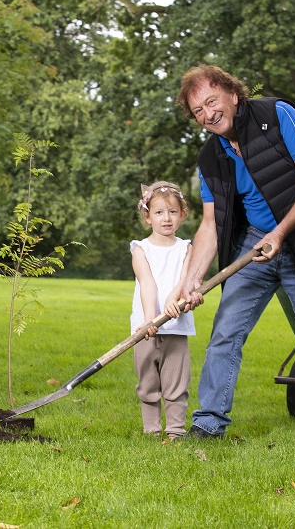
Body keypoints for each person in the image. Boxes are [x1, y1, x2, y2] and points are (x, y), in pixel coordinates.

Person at [169, 64, 295, 442]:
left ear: (233, 95)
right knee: (225, 332)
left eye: (212, 102)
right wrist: (191, 281)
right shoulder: (210, 159)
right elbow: (209, 226)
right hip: (254, 247)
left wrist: (280, 233)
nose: (208, 114)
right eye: (198, 111)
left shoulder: (277, 115)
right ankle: (208, 422)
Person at [130, 181, 195, 439]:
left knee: (176, 383)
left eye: (172, 212)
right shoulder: (140, 249)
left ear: (182, 215)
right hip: (146, 328)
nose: (166, 218)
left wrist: (174, 295)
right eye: (158, 212)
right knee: (148, 382)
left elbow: (185, 278)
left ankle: (176, 432)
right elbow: (147, 283)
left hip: (176, 328)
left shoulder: (187, 248)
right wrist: (149, 320)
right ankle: (152, 432)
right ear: (147, 216)